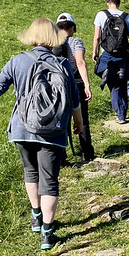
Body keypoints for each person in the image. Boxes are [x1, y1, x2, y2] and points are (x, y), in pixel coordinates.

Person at [0, 18, 83, 250]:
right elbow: (75, 100)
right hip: (53, 132)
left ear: (31, 35)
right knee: (50, 180)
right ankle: (47, 232)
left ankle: (36, 215)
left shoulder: (18, 61)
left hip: (22, 128)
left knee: (30, 172)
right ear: (54, 37)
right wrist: (79, 123)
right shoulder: (63, 64)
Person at [93, 0, 129, 124]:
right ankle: (122, 112)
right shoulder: (126, 16)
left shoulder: (101, 15)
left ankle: (120, 113)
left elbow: (97, 36)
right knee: (123, 82)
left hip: (108, 55)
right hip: (123, 55)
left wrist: (94, 51)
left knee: (113, 84)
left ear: (107, 3)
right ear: (119, 3)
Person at [56, 12, 95, 161]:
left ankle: (62, 156)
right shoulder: (76, 42)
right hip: (76, 84)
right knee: (82, 119)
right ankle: (87, 153)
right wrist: (87, 85)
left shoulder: (52, 43)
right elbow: (80, 63)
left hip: (58, 86)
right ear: (72, 27)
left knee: (61, 120)